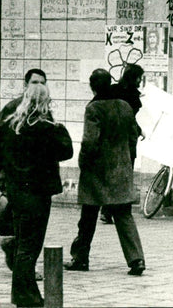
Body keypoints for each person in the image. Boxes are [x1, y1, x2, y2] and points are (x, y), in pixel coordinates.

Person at [64, 68, 145, 276]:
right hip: (121, 169)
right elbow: (133, 136)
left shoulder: (93, 108)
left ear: (92, 87)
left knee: (88, 217)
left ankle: (80, 258)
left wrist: (83, 163)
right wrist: (127, 160)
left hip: (97, 172)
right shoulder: (125, 106)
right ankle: (136, 259)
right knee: (124, 215)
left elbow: (90, 141)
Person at [0, 83, 73, 307]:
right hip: (38, 194)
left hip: (16, 192)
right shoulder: (47, 128)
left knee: (22, 242)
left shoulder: (12, 126)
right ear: (46, 102)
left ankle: (22, 292)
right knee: (30, 247)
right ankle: (26, 295)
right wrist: (56, 125)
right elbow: (66, 151)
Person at [0, 69, 49, 264]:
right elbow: (1, 144)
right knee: (24, 225)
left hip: (38, 180)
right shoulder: (13, 108)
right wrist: (2, 176)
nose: (38, 87)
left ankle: (15, 251)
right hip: (18, 178)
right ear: (25, 85)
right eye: (34, 82)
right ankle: (23, 266)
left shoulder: (45, 110)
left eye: (42, 83)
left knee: (29, 227)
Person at [100, 64, 145, 224]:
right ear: (134, 77)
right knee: (124, 174)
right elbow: (129, 118)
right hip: (125, 140)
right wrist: (138, 130)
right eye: (140, 77)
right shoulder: (132, 95)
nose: (141, 80)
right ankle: (116, 210)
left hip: (111, 139)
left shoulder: (113, 90)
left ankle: (107, 209)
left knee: (113, 174)